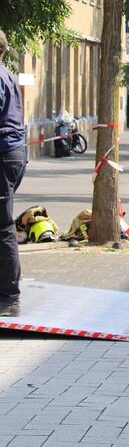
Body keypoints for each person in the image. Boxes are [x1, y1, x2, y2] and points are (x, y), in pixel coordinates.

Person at [0, 30, 25, 317]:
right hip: (13, 154)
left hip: (4, 156)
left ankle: (8, 297)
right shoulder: (7, 74)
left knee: (3, 225)